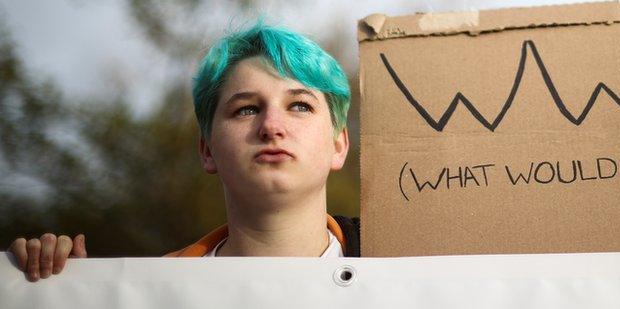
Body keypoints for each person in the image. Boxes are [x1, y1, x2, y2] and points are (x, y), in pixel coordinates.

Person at [8, 21, 359, 281]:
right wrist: (64, 290)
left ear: (339, 144)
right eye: (246, 109)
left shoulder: (407, 263)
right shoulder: (143, 293)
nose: (271, 126)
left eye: (299, 106)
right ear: (207, 151)